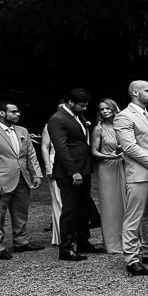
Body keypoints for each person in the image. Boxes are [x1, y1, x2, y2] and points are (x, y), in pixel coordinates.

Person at [0, 100, 44, 259]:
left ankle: (21, 242)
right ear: (2, 113)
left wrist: (36, 174)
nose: (18, 114)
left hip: (22, 178)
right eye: (14, 112)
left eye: (18, 111)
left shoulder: (22, 131)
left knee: (21, 212)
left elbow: (30, 154)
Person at [115, 80, 148, 276]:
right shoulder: (124, 117)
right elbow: (129, 147)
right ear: (135, 92)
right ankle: (131, 259)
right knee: (133, 217)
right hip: (139, 175)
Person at [48, 88, 96, 261]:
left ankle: (83, 242)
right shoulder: (57, 119)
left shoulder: (77, 116)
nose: (84, 108)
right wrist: (73, 171)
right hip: (69, 172)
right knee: (70, 209)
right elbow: (61, 148)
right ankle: (66, 248)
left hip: (83, 168)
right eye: (82, 105)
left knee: (83, 207)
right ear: (70, 103)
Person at [91, 98, 125, 254]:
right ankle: (112, 244)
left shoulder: (121, 126)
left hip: (123, 165)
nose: (104, 111)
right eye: (102, 109)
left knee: (125, 202)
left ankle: (127, 240)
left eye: (107, 109)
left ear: (113, 109)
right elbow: (94, 152)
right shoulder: (98, 129)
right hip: (107, 167)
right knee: (109, 205)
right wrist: (110, 156)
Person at [39, 105, 63, 247]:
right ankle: (61, 235)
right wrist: (48, 166)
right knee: (58, 200)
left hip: (71, 164)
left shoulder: (76, 123)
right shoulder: (49, 126)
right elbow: (44, 147)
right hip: (55, 163)